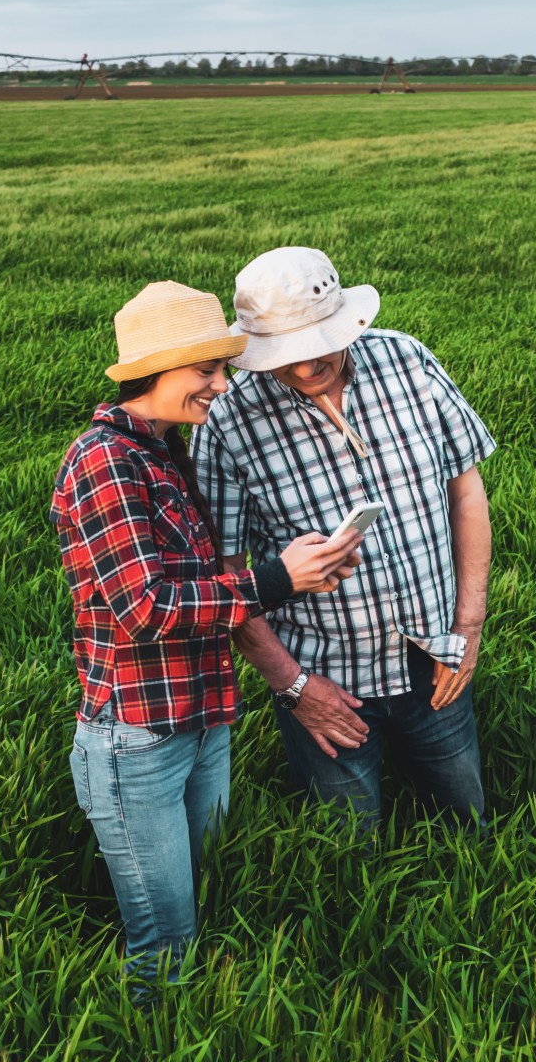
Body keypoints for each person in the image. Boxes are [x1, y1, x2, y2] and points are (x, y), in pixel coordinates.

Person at [51, 280, 360, 989]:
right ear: (154, 370)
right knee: (163, 941)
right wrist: (275, 581)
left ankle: (206, 1035)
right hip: (138, 739)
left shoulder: (164, 451)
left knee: (207, 903)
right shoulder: (106, 461)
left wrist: (303, 567)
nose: (221, 387)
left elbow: (196, 585)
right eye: (206, 371)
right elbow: (146, 608)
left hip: (201, 720)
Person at [193, 247, 497, 833]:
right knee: (344, 855)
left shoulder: (406, 360)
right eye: (288, 354)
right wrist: (294, 687)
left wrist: (469, 628)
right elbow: (224, 576)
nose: (307, 367)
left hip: (437, 653)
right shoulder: (228, 422)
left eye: (319, 345)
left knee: (468, 826)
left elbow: (467, 494)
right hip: (325, 678)